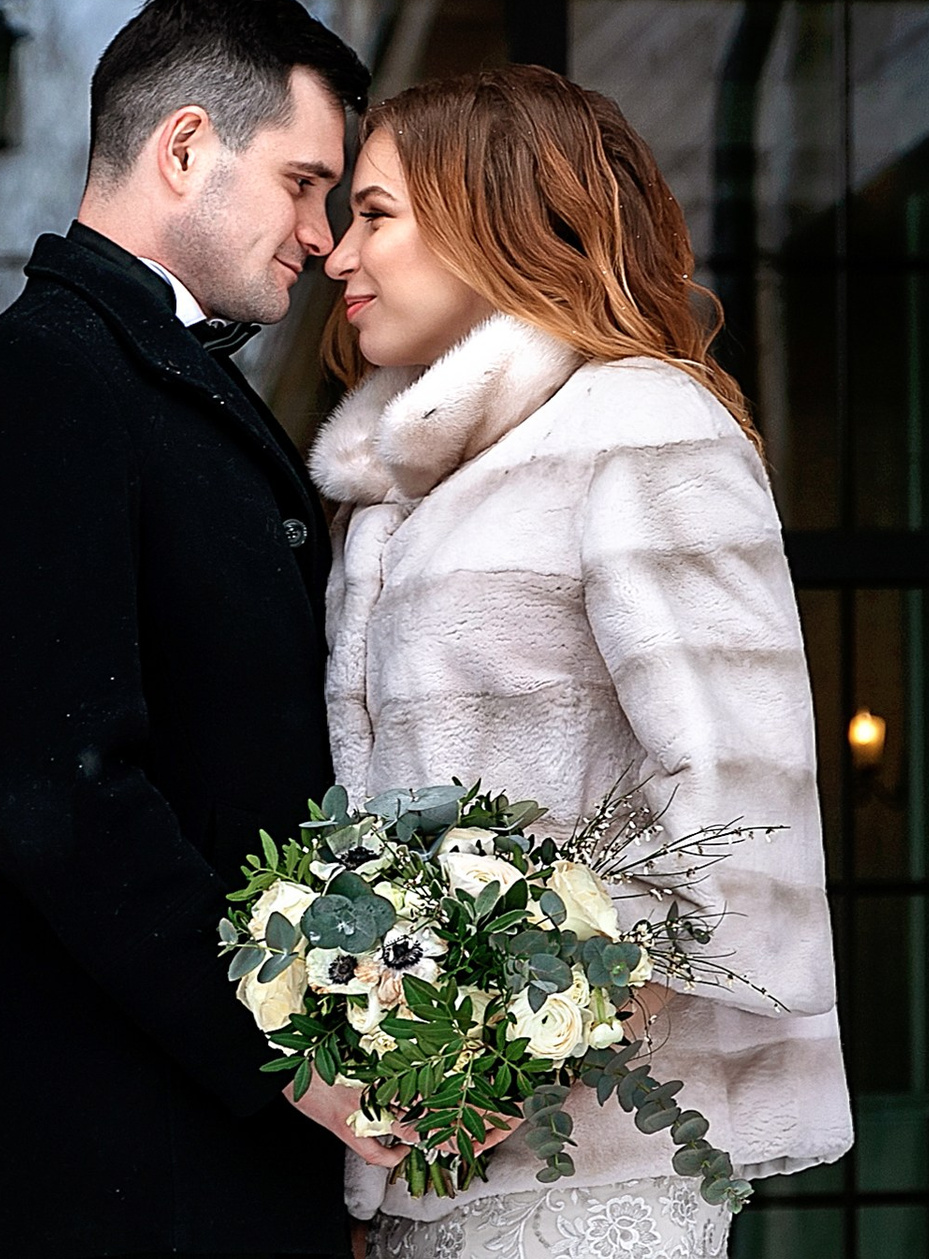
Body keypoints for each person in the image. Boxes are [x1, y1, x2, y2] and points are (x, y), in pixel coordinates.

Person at [309, 65, 853, 1259]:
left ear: (489, 218)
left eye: (375, 214)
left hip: (596, 1162)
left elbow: (742, 808)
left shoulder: (642, 428)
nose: (337, 255)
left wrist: (526, 1047)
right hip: (425, 1167)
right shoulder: (400, 499)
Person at [0, 0, 393, 1259]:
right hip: (116, 1177)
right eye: (302, 184)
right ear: (184, 148)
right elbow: (58, 799)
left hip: (200, 1162)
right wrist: (289, 1051)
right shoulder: (35, 382)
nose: (321, 236)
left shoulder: (144, 379)